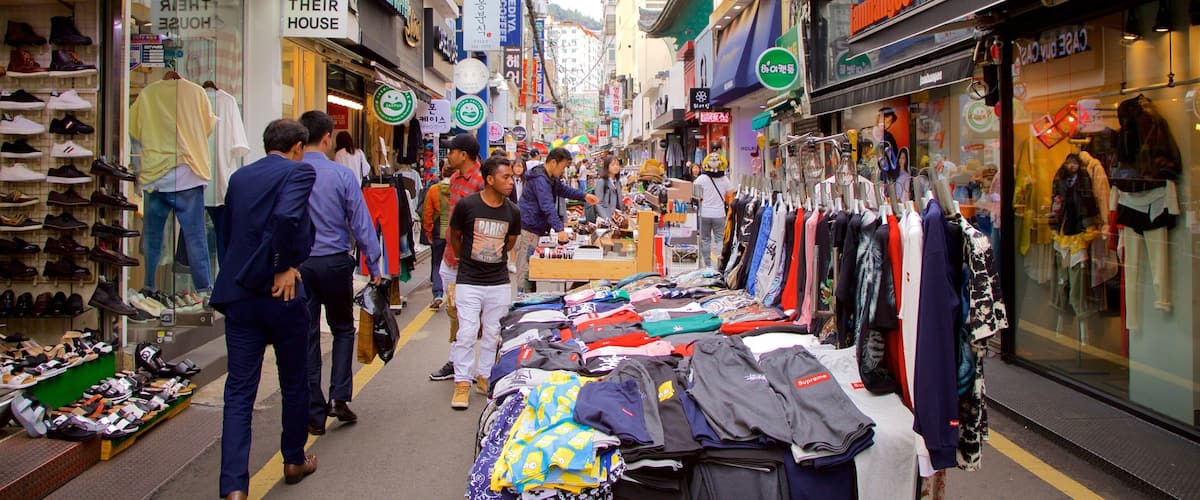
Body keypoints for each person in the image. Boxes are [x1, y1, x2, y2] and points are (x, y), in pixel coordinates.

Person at [211, 119, 318, 500]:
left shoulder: (240, 177)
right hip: (282, 292)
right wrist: (282, 266)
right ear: (298, 147)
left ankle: (234, 487)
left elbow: (229, 232)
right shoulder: (299, 171)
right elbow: (288, 218)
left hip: (239, 292)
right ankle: (293, 458)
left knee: (239, 391)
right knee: (294, 379)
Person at [296, 111, 382, 436]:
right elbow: (360, 223)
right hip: (334, 261)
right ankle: (339, 397)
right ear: (328, 137)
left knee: (307, 335)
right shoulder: (341, 175)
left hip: (300, 265)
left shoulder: (291, 173)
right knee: (343, 328)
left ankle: (313, 412)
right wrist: (373, 264)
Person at [448, 156, 522, 409]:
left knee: (493, 334)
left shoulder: (513, 210)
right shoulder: (467, 206)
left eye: (512, 177)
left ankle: (485, 375)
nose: (511, 182)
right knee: (467, 332)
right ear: (489, 180)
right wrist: (464, 258)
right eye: (505, 177)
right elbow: (455, 236)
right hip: (469, 280)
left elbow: (510, 242)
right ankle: (461, 383)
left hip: (498, 282)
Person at [428, 134, 485, 381]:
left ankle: (473, 370)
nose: (448, 155)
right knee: (456, 314)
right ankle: (455, 362)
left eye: (451, 151)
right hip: (451, 257)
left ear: (463, 155)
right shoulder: (454, 178)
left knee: (471, 317)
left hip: (471, 261)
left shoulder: (482, 182)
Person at [513, 148, 600, 292]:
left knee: (531, 268)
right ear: (553, 162)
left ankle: (529, 299)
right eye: (563, 167)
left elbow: (563, 190)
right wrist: (559, 229)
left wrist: (584, 196)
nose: (563, 170)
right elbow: (547, 206)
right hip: (527, 228)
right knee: (526, 271)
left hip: (535, 227)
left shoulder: (549, 177)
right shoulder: (540, 179)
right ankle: (523, 304)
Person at [694, 158, 734, 269]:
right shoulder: (724, 179)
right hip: (719, 214)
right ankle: (720, 265)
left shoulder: (701, 179)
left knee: (705, 239)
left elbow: (695, 196)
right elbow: (731, 192)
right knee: (720, 239)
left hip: (704, 213)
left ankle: (708, 266)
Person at [423, 167, 454, 310]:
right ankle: (452, 296)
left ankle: (437, 294)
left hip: (438, 232)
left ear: (442, 173)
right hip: (455, 232)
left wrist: (428, 232)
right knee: (453, 265)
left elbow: (427, 213)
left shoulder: (434, 190)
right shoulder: (458, 189)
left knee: (436, 263)